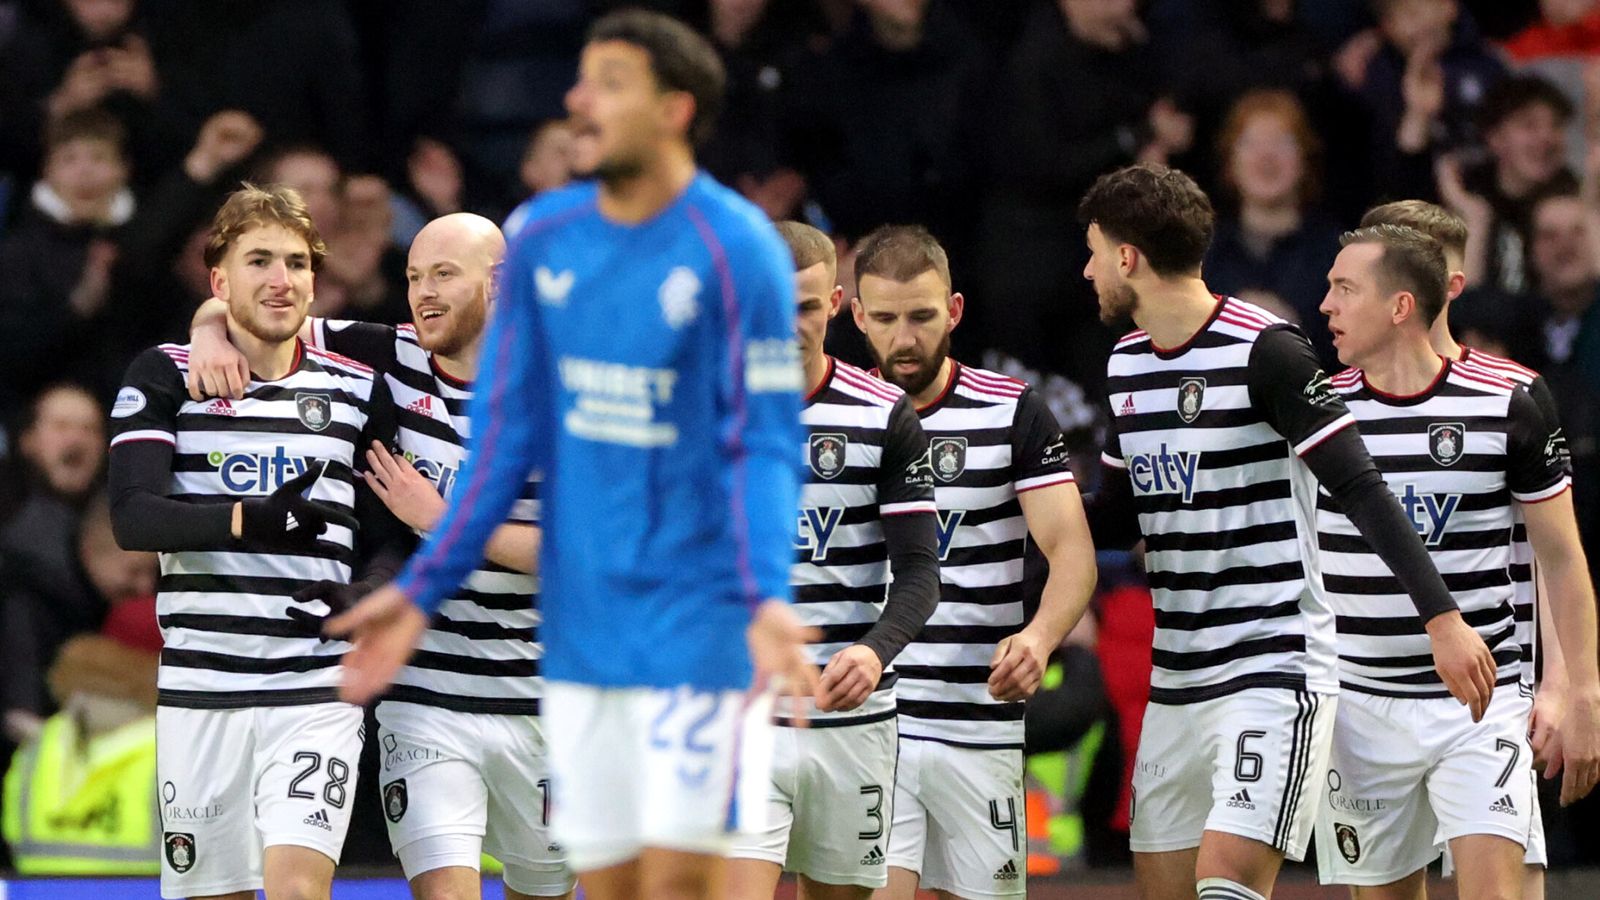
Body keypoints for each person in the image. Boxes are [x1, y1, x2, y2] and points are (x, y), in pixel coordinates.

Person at [324, 11, 819, 900]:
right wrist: (423, 586)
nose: (578, 99)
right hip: (581, 646)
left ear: (675, 109)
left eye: (608, 82)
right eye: (581, 78)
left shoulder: (738, 246)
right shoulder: (546, 236)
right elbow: (506, 439)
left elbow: (767, 445)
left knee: (686, 883)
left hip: (692, 620)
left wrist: (766, 593)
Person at [1076, 163, 1496, 900]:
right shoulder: (1125, 364)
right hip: (1177, 677)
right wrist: (1014, 516)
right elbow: (1115, 513)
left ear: (1126, 257)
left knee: (1227, 883)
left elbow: (1361, 486)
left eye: (1092, 251)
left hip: (1273, 669)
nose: (1086, 271)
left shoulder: (1265, 348)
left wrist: (1443, 617)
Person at [183, 212, 573, 900]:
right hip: (425, 700)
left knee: (542, 889)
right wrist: (206, 327)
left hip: (541, 698)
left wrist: (442, 521)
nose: (422, 293)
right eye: (414, 277)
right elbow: (261, 309)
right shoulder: (389, 354)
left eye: (444, 275)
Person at [104, 183, 408, 900]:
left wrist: (366, 592)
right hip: (201, 690)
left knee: (298, 890)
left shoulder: (358, 382)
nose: (281, 280)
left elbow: (399, 535)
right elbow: (133, 517)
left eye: (297, 264)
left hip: (312, 689)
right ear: (219, 280)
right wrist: (245, 519)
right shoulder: (166, 373)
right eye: (259, 262)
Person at [1313, 223, 1600, 898]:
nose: (1325, 305)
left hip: (1479, 701)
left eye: (1344, 289)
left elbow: (1560, 557)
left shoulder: (1510, 399)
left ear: (1400, 306)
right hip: (1361, 702)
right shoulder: (1318, 413)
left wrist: (1577, 689)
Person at [847, 224, 1098, 900]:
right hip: (877, 722)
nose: (906, 338)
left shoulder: (1012, 411)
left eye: (923, 317)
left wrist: (1040, 639)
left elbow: (1071, 550)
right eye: (889, 319)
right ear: (858, 314)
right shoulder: (834, 420)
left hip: (978, 721)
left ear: (954, 311)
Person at [724, 221, 940, 900]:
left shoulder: (884, 416)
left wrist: (875, 652)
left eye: (808, 307)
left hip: (852, 720)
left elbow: (919, 573)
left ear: (837, 304)